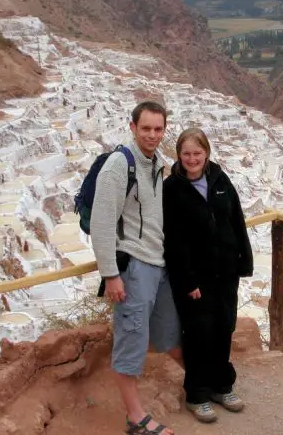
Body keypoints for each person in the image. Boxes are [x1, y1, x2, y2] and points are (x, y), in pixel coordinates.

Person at [91, 101, 181, 435]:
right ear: (132, 127)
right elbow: (102, 225)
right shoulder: (119, 165)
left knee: (167, 331)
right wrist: (111, 274)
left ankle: (199, 385)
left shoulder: (157, 162)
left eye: (158, 129)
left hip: (158, 265)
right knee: (131, 339)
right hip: (133, 268)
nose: (152, 135)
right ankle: (135, 417)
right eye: (146, 128)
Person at [163, 128, 253, 424]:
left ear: (207, 153)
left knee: (223, 327)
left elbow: (236, 220)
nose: (192, 159)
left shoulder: (219, 179)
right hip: (196, 279)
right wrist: (188, 281)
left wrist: (244, 261)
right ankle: (197, 394)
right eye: (186, 154)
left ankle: (222, 386)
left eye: (197, 153)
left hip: (225, 272)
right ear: (179, 155)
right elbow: (173, 240)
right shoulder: (172, 189)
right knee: (200, 333)